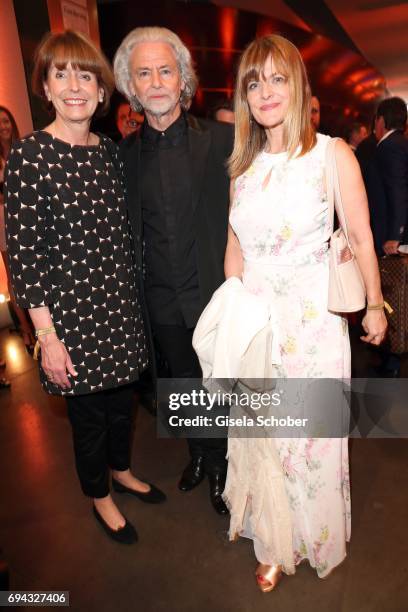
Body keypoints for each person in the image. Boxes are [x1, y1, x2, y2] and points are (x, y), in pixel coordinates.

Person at [222, 34, 387, 590]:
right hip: (258, 323)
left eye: (277, 78)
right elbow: (234, 252)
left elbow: (363, 238)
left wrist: (375, 306)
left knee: (310, 441)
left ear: (297, 87)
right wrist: (233, 318)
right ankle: (275, 541)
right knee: (265, 438)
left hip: (313, 325)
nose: (265, 92)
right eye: (253, 81)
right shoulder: (240, 167)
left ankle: (314, 536)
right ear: (244, 96)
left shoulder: (330, 154)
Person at [4, 30, 165, 545]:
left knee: (123, 408)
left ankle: (121, 470)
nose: (74, 85)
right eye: (61, 73)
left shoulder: (112, 153)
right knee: (89, 419)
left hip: (121, 310)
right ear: (45, 88)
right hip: (72, 324)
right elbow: (25, 258)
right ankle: (99, 495)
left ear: (101, 92)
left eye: (86, 74)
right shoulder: (30, 157)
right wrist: (46, 337)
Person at [114, 27, 233, 514]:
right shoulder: (120, 157)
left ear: (183, 78)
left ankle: (228, 466)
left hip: (218, 293)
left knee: (224, 385)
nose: (156, 81)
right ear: (131, 86)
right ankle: (202, 457)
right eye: (144, 73)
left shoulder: (225, 139)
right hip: (159, 299)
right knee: (183, 385)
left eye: (166, 70)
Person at [0, 105, 36, 355]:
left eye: (5, 121)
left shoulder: (24, 149)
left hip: (29, 215)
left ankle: (43, 324)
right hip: (3, 220)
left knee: (33, 267)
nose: (3, 126)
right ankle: (25, 329)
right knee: (14, 276)